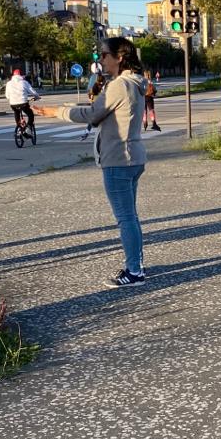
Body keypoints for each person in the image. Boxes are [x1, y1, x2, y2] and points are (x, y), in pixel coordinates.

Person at [33, 37, 148, 288]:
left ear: (120, 57)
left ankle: (134, 272)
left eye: (104, 55)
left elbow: (91, 114)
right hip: (133, 156)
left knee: (125, 218)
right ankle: (136, 265)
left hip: (118, 159)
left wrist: (57, 111)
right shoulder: (136, 83)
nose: (100, 60)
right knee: (131, 216)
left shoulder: (119, 85)